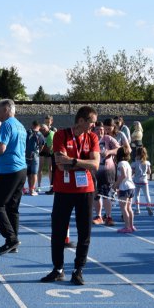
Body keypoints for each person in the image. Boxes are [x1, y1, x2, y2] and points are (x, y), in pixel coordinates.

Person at [41, 106, 100, 285]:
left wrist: (73, 161)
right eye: (91, 122)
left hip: (85, 190)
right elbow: (60, 164)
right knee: (58, 231)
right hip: (64, 190)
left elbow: (95, 164)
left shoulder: (93, 137)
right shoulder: (61, 135)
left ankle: (78, 270)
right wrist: (84, 163)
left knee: (84, 232)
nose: (93, 126)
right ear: (81, 120)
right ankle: (58, 269)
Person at [0, 99, 27, 255]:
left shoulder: (7, 125)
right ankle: (13, 241)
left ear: (5, 109)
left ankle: (11, 238)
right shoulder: (21, 126)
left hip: (10, 171)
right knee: (12, 207)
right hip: (21, 169)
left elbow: (1, 148)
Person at [92, 120, 120, 225]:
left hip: (108, 171)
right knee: (96, 194)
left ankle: (108, 217)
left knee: (107, 194)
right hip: (95, 170)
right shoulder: (91, 140)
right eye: (98, 130)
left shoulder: (108, 139)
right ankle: (98, 216)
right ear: (94, 131)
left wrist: (109, 152)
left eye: (102, 130)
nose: (100, 132)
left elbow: (119, 149)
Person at [114, 146, 136, 233]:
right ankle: (131, 225)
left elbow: (123, 175)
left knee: (124, 208)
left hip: (124, 187)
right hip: (131, 186)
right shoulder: (127, 163)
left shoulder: (120, 164)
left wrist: (115, 185)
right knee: (129, 208)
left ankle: (127, 227)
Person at [25, 120, 45, 196]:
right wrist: (38, 152)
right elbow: (42, 145)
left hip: (26, 155)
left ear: (32, 125)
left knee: (28, 173)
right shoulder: (40, 135)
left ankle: (27, 189)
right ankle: (32, 190)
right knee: (34, 173)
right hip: (35, 156)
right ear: (39, 126)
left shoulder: (27, 133)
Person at [132, 146, 153, 216]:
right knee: (147, 195)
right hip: (144, 181)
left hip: (137, 181)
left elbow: (132, 172)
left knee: (137, 195)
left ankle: (137, 209)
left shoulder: (134, 163)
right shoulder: (147, 163)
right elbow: (149, 172)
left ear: (137, 154)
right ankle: (149, 206)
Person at [39, 115, 57, 194]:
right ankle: (39, 186)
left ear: (51, 121)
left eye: (48, 121)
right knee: (40, 168)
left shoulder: (53, 130)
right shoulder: (41, 129)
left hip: (50, 151)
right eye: (46, 121)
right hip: (43, 150)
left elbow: (55, 140)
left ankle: (51, 186)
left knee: (51, 169)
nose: (47, 122)